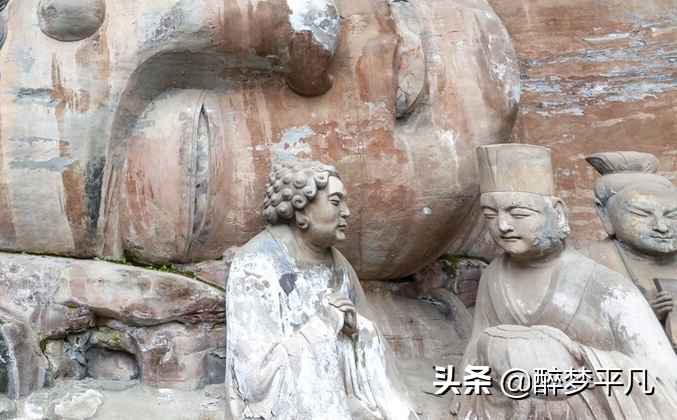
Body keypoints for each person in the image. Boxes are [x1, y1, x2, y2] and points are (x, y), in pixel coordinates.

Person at [456, 144, 677, 419]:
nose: (503, 226)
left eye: (519, 214)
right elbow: (476, 346)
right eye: (490, 215)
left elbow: (664, 378)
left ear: (558, 213)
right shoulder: (494, 276)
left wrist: (572, 358)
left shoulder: (605, 285)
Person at [225, 158, 419, 420]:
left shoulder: (339, 263)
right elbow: (254, 381)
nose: (347, 212)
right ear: (301, 212)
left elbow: (373, 345)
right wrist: (323, 327)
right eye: (336, 202)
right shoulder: (256, 264)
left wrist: (355, 328)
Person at [581, 151, 677, 346]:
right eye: (641, 214)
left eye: (672, 215)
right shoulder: (588, 263)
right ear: (605, 214)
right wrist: (645, 316)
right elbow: (577, 330)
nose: (662, 226)